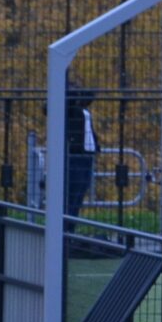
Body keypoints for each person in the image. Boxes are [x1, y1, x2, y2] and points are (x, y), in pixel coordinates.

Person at [63, 92, 98, 223]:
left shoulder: (84, 111)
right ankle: (66, 228)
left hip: (87, 156)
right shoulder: (70, 109)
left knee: (80, 192)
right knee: (72, 194)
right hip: (75, 156)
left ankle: (71, 227)